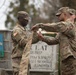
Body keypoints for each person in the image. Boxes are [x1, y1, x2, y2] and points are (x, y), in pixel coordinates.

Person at [32, 7, 76, 75]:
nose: (58, 17)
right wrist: (43, 38)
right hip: (65, 60)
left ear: (64, 14)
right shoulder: (63, 30)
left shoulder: (69, 25)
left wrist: (40, 25)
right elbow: (54, 40)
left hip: (71, 59)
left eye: (59, 15)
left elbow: (56, 26)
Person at [11, 11, 39, 75]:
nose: (27, 21)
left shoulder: (24, 30)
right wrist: (32, 37)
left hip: (24, 60)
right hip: (18, 60)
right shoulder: (17, 30)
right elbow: (23, 42)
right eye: (25, 20)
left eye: (28, 20)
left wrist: (36, 35)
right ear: (19, 19)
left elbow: (31, 41)